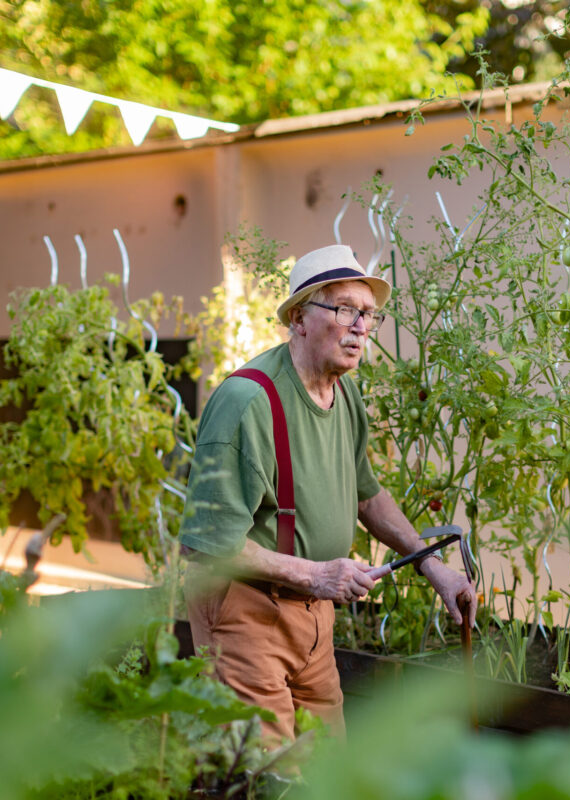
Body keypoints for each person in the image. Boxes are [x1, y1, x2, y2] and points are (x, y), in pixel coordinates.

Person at [181, 244, 477, 741]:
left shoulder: (344, 393)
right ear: (299, 317)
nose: (360, 326)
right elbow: (205, 543)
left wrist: (433, 566)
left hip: (315, 619)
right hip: (246, 612)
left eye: (368, 314)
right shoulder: (247, 402)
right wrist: (317, 574)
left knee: (329, 771)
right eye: (344, 309)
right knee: (268, 778)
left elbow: (367, 497)